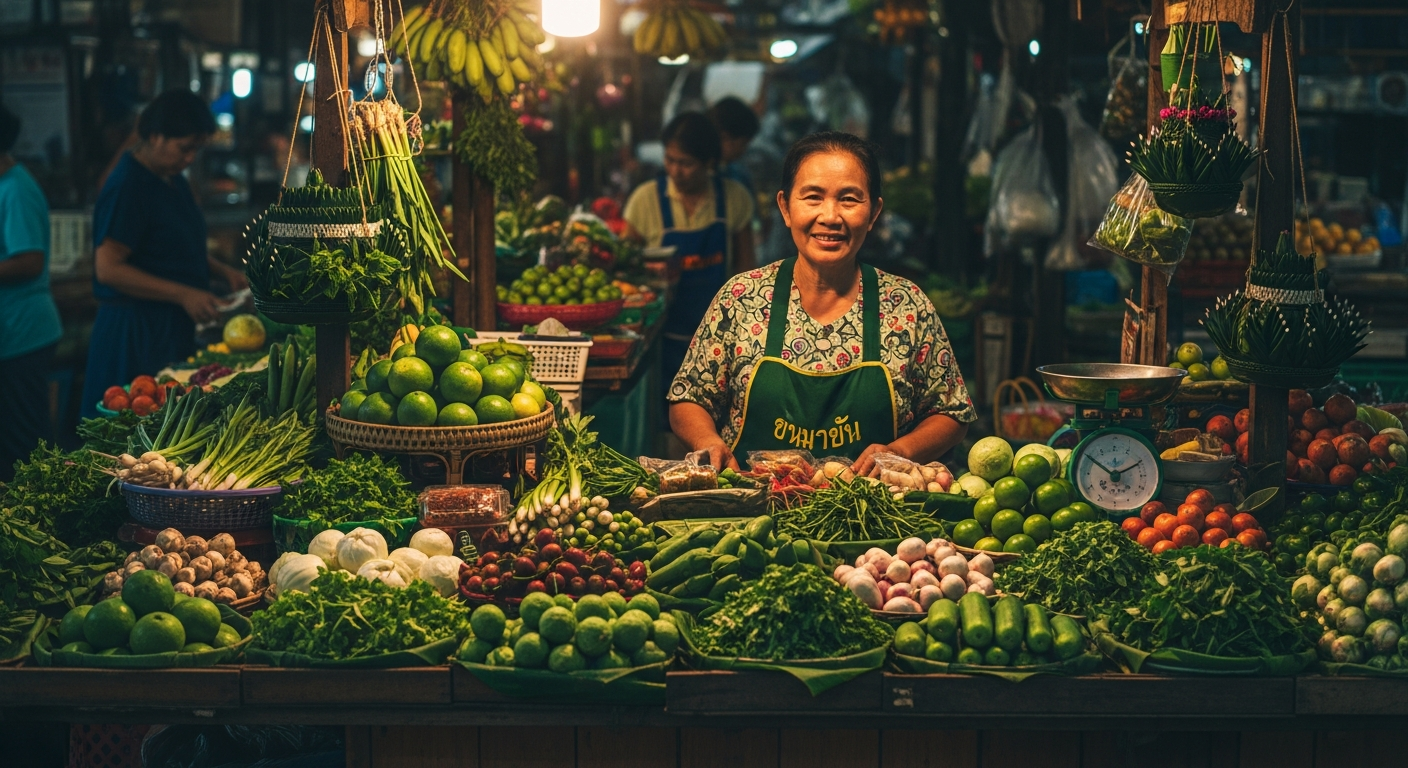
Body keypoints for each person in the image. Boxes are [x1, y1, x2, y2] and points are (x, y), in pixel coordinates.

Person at [667, 131, 976, 475]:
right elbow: (688, 398)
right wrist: (707, 441)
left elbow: (951, 412)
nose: (830, 216)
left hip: (872, 517)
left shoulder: (906, 305)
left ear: (874, 213)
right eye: (813, 197)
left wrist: (900, 450)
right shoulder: (741, 297)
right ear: (785, 207)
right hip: (752, 515)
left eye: (849, 200)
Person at [81, 90, 247, 418]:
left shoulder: (171, 179)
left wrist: (219, 271)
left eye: (196, 149)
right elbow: (109, 269)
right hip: (135, 332)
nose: (190, 158)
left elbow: (170, 247)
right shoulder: (128, 186)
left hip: (167, 328)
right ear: (155, 136)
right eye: (184, 148)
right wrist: (185, 293)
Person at [624, 112, 756, 380]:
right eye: (669, 160)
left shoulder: (734, 198)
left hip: (719, 339)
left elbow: (747, 268)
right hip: (661, 341)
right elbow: (624, 269)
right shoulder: (645, 200)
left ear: (709, 162)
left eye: (685, 163)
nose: (675, 171)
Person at [0, 105, 62, 480]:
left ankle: (39, 528)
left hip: (23, 333)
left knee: (24, 445)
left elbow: (29, 261)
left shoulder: (16, 189)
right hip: (13, 334)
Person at [708, 96, 761, 198]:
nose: (744, 151)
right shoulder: (737, 178)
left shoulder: (737, 173)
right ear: (725, 138)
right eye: (743, 144)